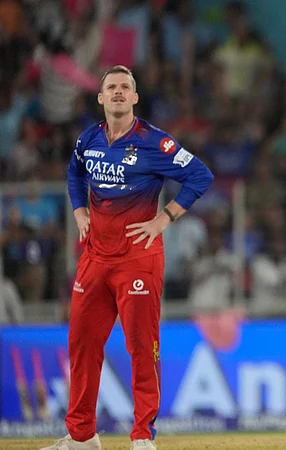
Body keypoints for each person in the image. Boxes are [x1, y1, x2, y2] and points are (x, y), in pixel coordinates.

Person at [42, 65, 214, 450]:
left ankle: (141, 437)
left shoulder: (155, 142)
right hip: (94, 259)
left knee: (142, 346)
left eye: (125, 87)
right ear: (100, 98)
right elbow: (74, 174)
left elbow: (201, 176)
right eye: (111, 88)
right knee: (82, 344)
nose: (118, 92)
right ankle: (82, 437)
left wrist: (164, 218)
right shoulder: (88, 139)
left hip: (138, 260)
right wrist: (77, 210)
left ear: (135, 97)